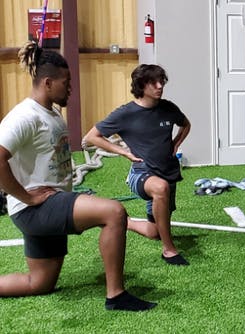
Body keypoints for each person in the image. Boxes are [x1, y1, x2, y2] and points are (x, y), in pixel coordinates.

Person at [0, 42, 156, 311]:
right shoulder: (24, 117)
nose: (70, 88)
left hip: (47, 204)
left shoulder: (51, 113)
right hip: (36, 208)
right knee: (114, 213)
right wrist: (25, 196)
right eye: (66, 82)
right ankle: (116, 295)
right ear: (47, 83)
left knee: (38, 283)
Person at [84, 64, 191, 265]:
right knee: (160, 188)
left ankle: (126, 222)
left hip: (168, 172)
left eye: (162, 81)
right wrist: (124, 152)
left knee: (154, 232)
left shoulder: (169, 108)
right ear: (141, 85)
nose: (160, 86)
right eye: (154, 82)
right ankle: (169, 250)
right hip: (141, 174)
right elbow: (92, 137)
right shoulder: (126, 113)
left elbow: (186, 124)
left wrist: (176, 143)